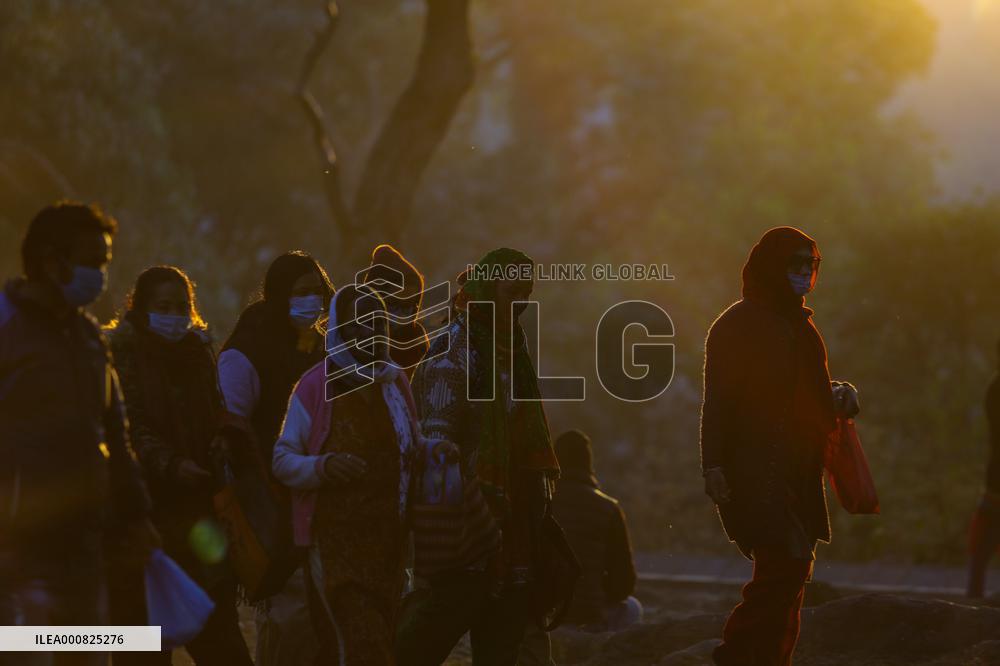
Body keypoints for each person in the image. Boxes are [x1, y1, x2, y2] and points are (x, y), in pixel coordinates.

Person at [0, 202, 154, 666]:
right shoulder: (5, 325)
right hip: (16, 549)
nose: (101, 275)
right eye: (93, 262)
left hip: (84, 545)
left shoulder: (88, 336)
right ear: (53, 262)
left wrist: (136, 515)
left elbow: (114, 432)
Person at [700, 226, 859, 666]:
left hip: (799, 472)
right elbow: (719, 402)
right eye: (796, 264)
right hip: (755, 472)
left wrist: (838, 395)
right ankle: (735, 656)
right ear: (772, 267)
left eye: (811, 264)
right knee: (782, 567)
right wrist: (713, 465)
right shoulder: (736, 326)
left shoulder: (801, 327)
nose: (805, 273)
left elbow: (803, 393)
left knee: (793, 574)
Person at [397, 247, 561, 666]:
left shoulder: (511, 351)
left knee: (502, 641)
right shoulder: (452, 351)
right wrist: (456, 519)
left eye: (526, 294)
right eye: (511, 292)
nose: (520, 303)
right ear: (487, 290)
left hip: (511, 523)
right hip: (465, 521)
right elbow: (434, 444)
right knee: (428, 635)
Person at [104, 266, 252, 665]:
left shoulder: (197, 353)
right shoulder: (120, 356)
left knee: (222, 638)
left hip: (200, 515)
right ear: (140, 308)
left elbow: (216, 409)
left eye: (182, 306)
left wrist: (223, 438)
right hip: (144, 518)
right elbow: (127, 426)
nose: (174, 315)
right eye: (163, 306)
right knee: (144, 645)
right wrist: (171, 465)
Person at [273, 282, 420, 664]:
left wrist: (438, 452)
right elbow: (283, 460)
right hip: (335, 547)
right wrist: (323, 467)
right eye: (358, 324)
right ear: (339, 328)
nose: (370, 333)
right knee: (360, 645)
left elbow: (413, 444)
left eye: (378, 323)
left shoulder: (395, 382)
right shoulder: (315, 386)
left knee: (379, 643)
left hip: (389, 547)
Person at [217, 250, 334, 666]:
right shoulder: (246, 352)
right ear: (279, 294)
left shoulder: (323, 347)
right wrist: (261, 495)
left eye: (317, 292)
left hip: (319, 493)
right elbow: (232, 430)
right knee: (287, 615)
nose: (312, 301)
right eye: (302, 292)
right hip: (270, 502)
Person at [551, 429, 640, 630]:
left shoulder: (540, 503)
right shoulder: (609, 508)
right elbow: (625, 582)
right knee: (633, 608)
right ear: (589, 464)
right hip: (588, 613)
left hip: (546, 611)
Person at [361, 244, 430, 378]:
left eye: (408, 306)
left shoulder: (415, 337)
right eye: (393, 303)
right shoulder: (353, 334)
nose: (401, 313)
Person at [967, 338, 1000, 598]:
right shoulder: (995, 389)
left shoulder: (994, 387)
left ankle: (974, 602)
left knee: (982, 549)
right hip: (996, 482)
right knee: (982, 548)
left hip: (995, 480)